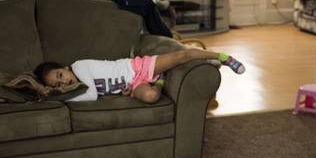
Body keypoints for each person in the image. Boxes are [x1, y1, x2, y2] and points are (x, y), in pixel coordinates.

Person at [34, 49, 246, 103]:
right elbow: (107, 88)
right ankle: (161, 78)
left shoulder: (79, 67)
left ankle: (224, 57)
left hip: (138, 68)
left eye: (60, 74)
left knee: (182, 55)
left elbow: (91, 96)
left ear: (65, 67)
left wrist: (55, 96)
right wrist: (125, 92)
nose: (64, 81)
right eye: (58, 83)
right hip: (134, 84)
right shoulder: (78, 86)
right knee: (152, 97)